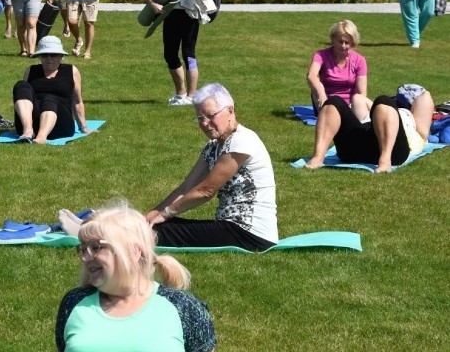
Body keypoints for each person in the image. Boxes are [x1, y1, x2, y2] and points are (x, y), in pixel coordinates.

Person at [55, 202, 217, 352]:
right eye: (83, 249)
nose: (85, 257)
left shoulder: (183, 307)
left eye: (96, 247)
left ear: (134, 251)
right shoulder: (74, 303)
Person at [145, 83, 278, 251]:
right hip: (231, 228)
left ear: (230, 110)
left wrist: (165, 214)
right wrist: (152, 215)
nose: (205, 123)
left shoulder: (242, 141)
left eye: (210, 115)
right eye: (200, 118)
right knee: (154, 227)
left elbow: (206, 191)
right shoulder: (213, 146)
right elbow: (187, 187)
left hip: (251, 234)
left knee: (157, 233)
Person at [304, 86, 433, 173]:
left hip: (393, 152)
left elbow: (425, 96)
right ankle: (318, 157)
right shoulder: (382, 109)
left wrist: (394, 105)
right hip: (355, 149)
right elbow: (358, 99)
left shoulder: (415, 128)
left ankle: (385, 161)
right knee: (334, 102)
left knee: (383, 100)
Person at [12, 36, 90, 144]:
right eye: (44, 55)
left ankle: (41, 136)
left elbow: (76, 101)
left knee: (49, 97)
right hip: (36, 121)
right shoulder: (31, 71)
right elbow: (26, 97)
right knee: (21, 85)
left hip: (60, 125)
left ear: (61, 56)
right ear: (39, 57)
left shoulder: (71, 71)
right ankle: (28, 130)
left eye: (53, 54)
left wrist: (83, 127)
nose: (49, 58)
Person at [306, 20, 370, 118]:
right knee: (317, 86)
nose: (343, 46)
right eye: (340, 41)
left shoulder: (359, 60)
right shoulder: (321, 55)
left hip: (350, 105)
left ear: (352, 43)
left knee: (359, 99)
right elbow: (311, 75)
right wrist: (321, 94)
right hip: (327, 102)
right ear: (333, 40)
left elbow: (361, 92)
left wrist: (353, 106)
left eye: (347, 42)